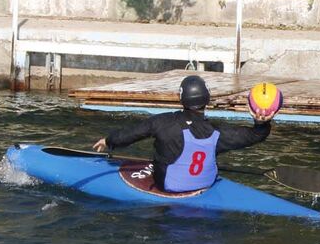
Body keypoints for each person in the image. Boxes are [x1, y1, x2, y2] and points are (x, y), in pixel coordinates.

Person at [91, 74, 275, 193]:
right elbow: (254, 136)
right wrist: (262, 123)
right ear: (207, 99)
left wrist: (109, 141)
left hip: (169, 186)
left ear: (181, 98)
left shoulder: (162, 122)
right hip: (205, 184)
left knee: (160, 155)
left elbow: (131, 134)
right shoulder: (218, 132)